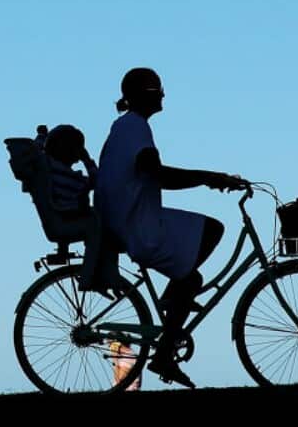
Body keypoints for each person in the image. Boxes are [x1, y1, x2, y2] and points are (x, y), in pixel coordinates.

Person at [96, 67, 246, 389]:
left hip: (133, 218)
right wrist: (209, 178)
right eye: (156, 90)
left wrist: (208, 178)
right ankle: (165, 345)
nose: (162, 95)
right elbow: (158, 174)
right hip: (138, 225)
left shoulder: (127, 127)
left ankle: (173, 305)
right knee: (211, 235)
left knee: (190, 277)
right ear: (144, 95)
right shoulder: (135, 129)